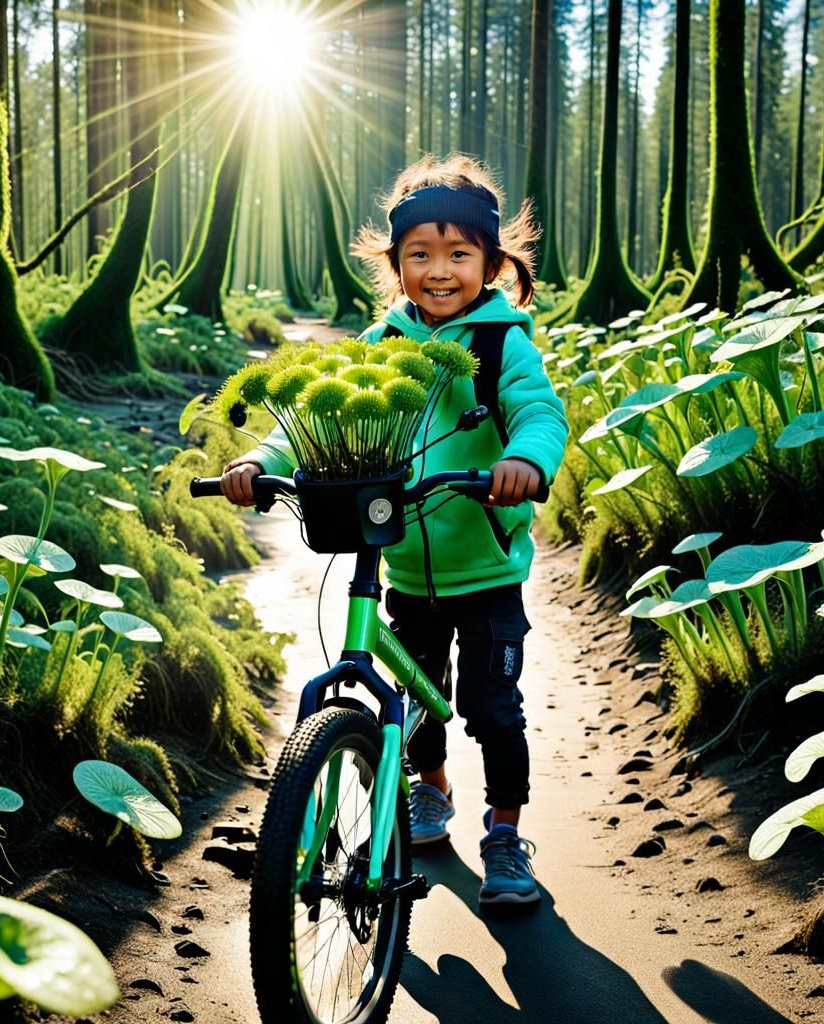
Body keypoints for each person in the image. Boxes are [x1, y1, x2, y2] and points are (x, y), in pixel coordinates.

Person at [220, 153, 568, 907]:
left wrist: (523, 459)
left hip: (486, 567)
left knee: (490, 706)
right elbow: (321, 412)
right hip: (401, 563)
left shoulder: (502, 343)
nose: (439, 271)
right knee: (409, 700)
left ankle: (506, 836)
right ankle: (431, 794)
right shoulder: (385, 342)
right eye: (420, 255)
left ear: (491, 262)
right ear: (396, 264)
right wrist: (260, 457)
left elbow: (540, 412)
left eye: (458, 254)